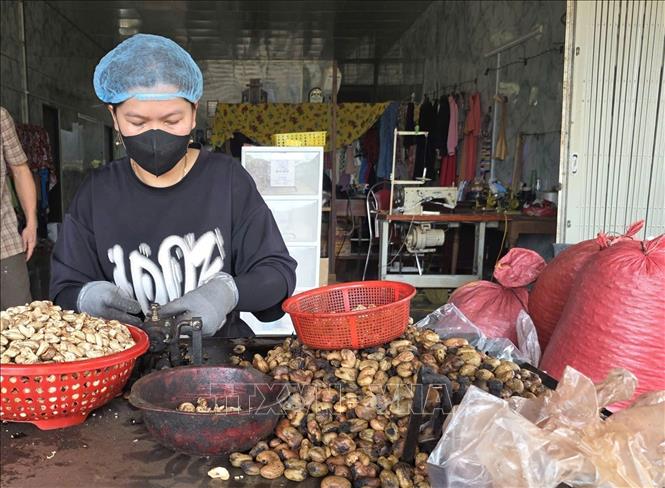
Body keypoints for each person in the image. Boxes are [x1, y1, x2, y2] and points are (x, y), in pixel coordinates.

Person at [50, 34, 297, 337]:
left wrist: (227, 293)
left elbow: (277, 274)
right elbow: (63, 290)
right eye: (137, 123)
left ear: (194, 112)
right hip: (125, 362)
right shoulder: (97, 193)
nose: (155, 135)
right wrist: (85, 297)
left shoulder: (227, 181)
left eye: (171, 120)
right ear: (114, 116)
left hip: (221, 363)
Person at [1, 106, 37, 309]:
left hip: (4, 244)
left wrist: (31, 221)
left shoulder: (1, 118)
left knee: (19, 322)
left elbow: (20, 170)